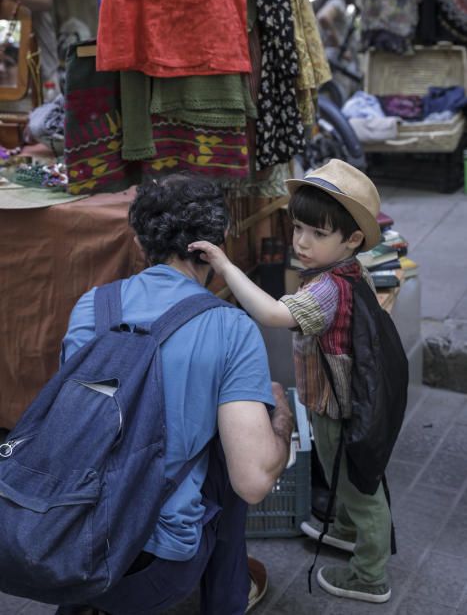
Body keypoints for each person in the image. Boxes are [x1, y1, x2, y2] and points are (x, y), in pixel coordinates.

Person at [55, 173, 294, 615]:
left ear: (140, 245)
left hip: (65, 536)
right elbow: (254, 481)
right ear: (218, 242)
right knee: (231, 458)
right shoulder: (231, 328)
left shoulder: (92, 305)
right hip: (155, 565)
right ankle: (225, 597)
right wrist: (281, 416)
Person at [189, 159, 393, 605]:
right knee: (343, 476)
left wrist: (224, 264)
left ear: (352, 239)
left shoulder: (328, 289)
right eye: (298, 226)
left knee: (362, 491)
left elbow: (270, 315)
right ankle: (344, 529)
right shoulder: (342, 272)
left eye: (317, 234)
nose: (300, 241)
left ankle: (370, 575)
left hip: (340, 407)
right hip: (337, 400)